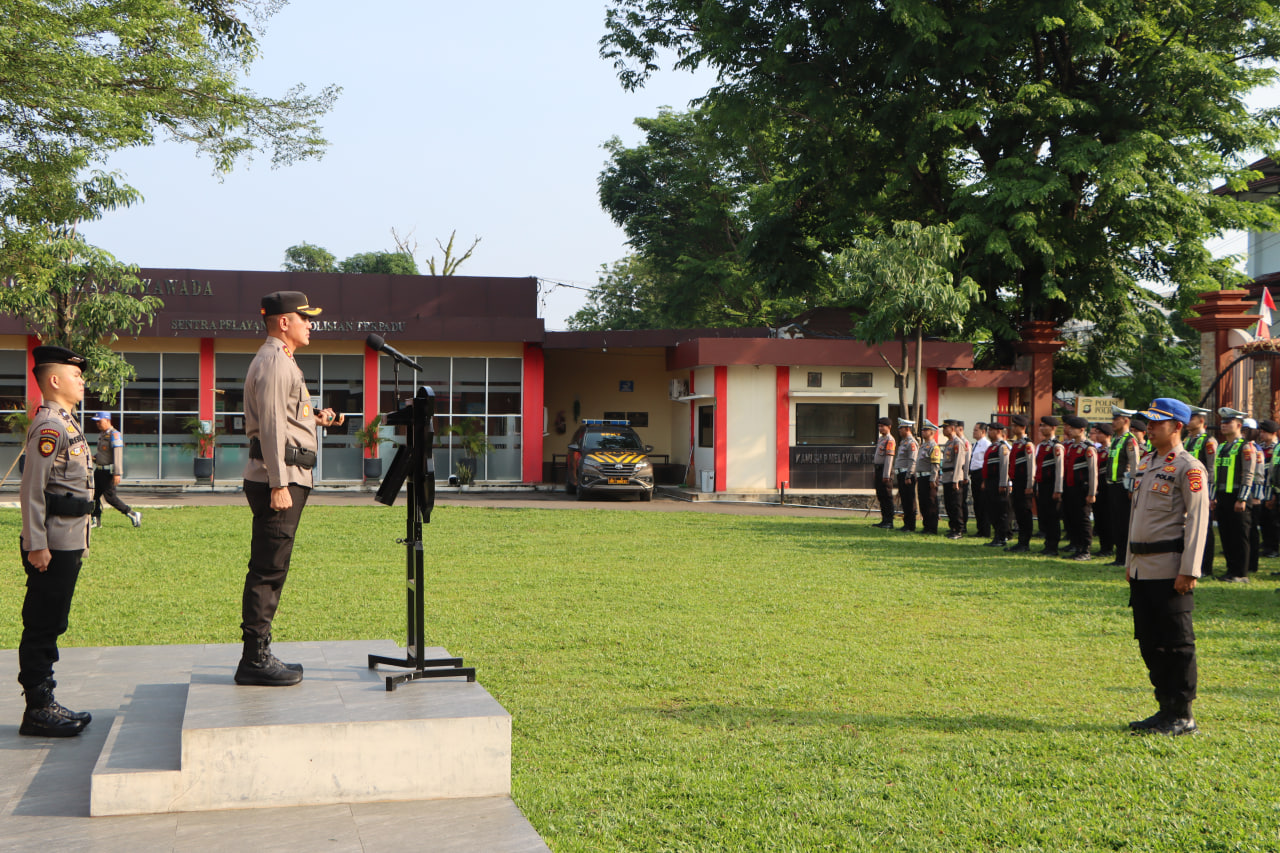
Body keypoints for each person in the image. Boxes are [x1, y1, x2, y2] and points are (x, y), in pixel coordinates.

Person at [237, 291, 343, 686]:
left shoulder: (282, 362)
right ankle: (254, 658)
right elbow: (269, 426)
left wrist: (315, 419)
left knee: (274, 566)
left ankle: (261, 651)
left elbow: (286, 416)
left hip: (288, 476)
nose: (310, 324)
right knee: (268, 568)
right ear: (285, 322)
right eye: (304, 318)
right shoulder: (274, 362)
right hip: (277, 480)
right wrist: (279, 483)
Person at [17, 345, 95, 737]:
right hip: (51, 543)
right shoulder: (50, 426)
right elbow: (32, 490)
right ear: (53, 381)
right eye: (75, 374)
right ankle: (38, 708)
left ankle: (45, 701)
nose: (82, 380)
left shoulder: (67, 423)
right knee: (42, 624)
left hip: (68, 539)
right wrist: (36, 543)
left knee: (52, 621)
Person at [1125, 397, 1209, 737]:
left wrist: (1189, 570)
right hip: (1143, 568)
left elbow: (1198, 521)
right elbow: (1136, 518)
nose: (1150, 427)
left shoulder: (1189, 467)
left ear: (1178, 426)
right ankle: (1164, 709)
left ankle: (1183, 714)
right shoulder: (1147, 463)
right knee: (1150, 641)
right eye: (1148, 422)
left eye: (1157, 422)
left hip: (1171, 569)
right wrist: (1130, 562)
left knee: (1177, 643)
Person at [1211, 407, 1255, 583]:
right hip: (1223, 496)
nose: (1223, 426)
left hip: (1238, 496)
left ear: (1238, 425)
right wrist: (1213, 496)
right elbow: (1215, 474)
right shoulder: (1222, 447)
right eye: (1222, 422)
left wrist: (1242, 498)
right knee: (1227, 535)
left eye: (1227, 422)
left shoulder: (1245, 446)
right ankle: (1230, 570)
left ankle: (1241, 573)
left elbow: (1248, 474)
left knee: (1240, 535)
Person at [90, 412, 141, 529]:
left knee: (110, 498)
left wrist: (117, 473)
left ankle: (133, 514)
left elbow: (117, 455)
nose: (97, 424)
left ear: (107, 420)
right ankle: (96, 520)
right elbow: (103, 454)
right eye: (96, 421)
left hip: (108, 472)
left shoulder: (115, 434)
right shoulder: (102, 434)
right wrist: (93, 458)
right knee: (93, 495)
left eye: (100, 421)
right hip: (99, 470)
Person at [1184, 406, 1218, 577]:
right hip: (1188, 489)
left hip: (1203, 490)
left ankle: (1206, 566)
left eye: (1192, 418)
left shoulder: (1209, 441)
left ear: (1201, 421)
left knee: (1205, 528)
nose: (1188, 422)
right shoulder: (1188, 440)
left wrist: (1210, 493)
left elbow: (1212, 468)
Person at [1060, 415, 1098, 561]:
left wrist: (1092, 492)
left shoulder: (1087, 448)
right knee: (1073, 518)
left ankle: (1085, 549)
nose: (1069, 430)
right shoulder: (1072, 447)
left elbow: (1093, 472)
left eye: (1073, 428)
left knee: (1083, 519)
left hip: (1082, 489)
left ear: (1081, 430)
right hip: (1071, 488)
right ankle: (1076, 546)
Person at [1034, 415, 1065, 555]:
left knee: (1053, 517)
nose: (1041, 428)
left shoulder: (1056, 446)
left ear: (1053, 428)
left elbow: (1059, 470)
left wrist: (1058, 489)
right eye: (1041, 425)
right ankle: (1047, 543)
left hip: (1052, 485)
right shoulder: (1042, 445)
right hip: (1043, 485)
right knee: (1044, 516)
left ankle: (1053, 546)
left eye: (1045, 425)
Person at [1006, 414, 1036, 552]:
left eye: (1015, 426)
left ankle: (1025, 542)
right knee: (1018, 511)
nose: (1012, 428)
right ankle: (1020, 541)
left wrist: (1030, 485)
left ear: (1023, 427)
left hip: (1024, 483)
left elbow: (1031, 467)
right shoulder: (1017, 443)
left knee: (1024, 512)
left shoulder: (1027, 444)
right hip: (1016, 482)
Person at [983, 421, 1012, 547]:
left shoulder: (1002, 447)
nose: (989, 432)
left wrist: (1003, 483)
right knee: (992, 510)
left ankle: (1002, 536)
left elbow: (1005, 466)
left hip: (998, 482)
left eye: (991, 430)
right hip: (990, 482)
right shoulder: (991, 446)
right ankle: (997, 535)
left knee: (1001, 511)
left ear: (999, 432)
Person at [941, 419, 969, 539]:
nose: (943, 430)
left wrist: (956, 480)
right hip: (947, 476)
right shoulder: (949, 442)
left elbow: (958, 463)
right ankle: (952, 527)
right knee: (948, 504)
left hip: (954, 476)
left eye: (945, 428)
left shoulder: (958, 442)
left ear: (952, 428)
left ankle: (959, 529)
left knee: (956, 504)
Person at [1256, 419, 1280, 559]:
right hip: (1261, 487)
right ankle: (1266, 544)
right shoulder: (1260, 447)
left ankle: (1273, 547)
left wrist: (1272, 494)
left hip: (1272, 488)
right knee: (1263, 518)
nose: (1262, 434)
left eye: (1265, 432)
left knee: (1273, 520)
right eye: (1261, 431)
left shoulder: (1276, 447)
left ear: (1274, 433)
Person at [1092, 422, 1115, 560]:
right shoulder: (1098, 450)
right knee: (1099, 518)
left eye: (1100, 433)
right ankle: (1103, 546)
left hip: (1107, 488)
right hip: (1098, 488)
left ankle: (1108, 547)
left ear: (1107, 435)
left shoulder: (1111, 450)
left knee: (1108, 519)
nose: (1097, 436)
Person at [915, 419, 942, 534]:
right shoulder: (923, 446)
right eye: (922, 429)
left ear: (932, 432)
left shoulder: (934, 446)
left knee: (931, 503)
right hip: (921, 477)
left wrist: (932, 478)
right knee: (923, 503)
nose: (923, 432)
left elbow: (935, 465)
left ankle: (932, 527)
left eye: (926, 430)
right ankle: (926, 526)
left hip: (929, 477)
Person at [893, 418, 919, 532]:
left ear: (907, 429)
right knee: (904, 500)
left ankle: (911, 525)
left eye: (901, 428)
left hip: (907, 475)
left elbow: (912, 460)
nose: (899, 430)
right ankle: (906, 524)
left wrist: (909, 475)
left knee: (909, 500)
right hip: (901, 474)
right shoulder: (903, 442)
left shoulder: (912, 442)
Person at [871, 416, 897, 529]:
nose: (880, 428)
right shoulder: (881, 439)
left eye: (882, 426)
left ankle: (889, 521)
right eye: (879, 426)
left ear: (889, 427)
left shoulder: (890, 440)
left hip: (885, 470)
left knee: (887, 496)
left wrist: (886, 474)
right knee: (881, 495)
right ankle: (884, 520)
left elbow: (889, 459)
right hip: (878, 469)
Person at [969, 422, 991, 538]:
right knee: (977, 504)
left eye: (976, 430)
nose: (973, 432)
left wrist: (984, 480)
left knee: (983, 505)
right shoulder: (976, 444)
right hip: (975, 475)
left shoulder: (986, 444)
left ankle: (985, 531)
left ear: (983, 432)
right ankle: (980, 529)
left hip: (981, 474)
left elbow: (986, 463)